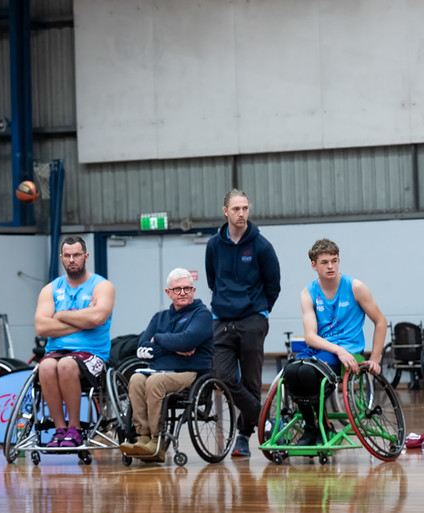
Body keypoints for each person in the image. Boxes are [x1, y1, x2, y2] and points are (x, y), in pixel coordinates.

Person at [284, 238, 386, 445]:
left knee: (306, 372)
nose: (330, 266)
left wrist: (375, 358)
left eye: (334, 260)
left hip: (351, 350)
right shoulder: (308, 292)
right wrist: (337, 350)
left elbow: (380, 321)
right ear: (314, 265)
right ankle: (312, 427)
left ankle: (322, 427)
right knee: (291, 371)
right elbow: (310, 336)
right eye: (324, 262)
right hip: (325, 349)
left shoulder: (355, 287)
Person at [206, 189, 281, 458]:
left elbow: (273, 285)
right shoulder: (214, 245)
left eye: (245, 208)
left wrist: (259, 312)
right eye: (236, 209)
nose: (241, 213)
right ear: (225, 211)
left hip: (252, 320)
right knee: (222, 376)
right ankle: (266, 420)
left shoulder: (261, 246)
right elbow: (212, 281)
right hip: (222, 321)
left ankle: (243, 437)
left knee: (251, 383)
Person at [120, 268, 213, 461]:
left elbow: (187, 341)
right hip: (158, 370)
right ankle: (142, 436)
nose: (183, 293)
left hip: (190, 371)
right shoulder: (159, 317)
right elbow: (141, 349)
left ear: (193, 290)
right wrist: (173, 345)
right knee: (137, 379)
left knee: (155, 382)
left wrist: (159, 339)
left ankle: (157, 439)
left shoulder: (202, 315)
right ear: (168, 293)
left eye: (187, 288)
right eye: (177, 289)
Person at [34, 236, 115, 448]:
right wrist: (82, 319)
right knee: (46, 366)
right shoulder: (50, 289)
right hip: (57, 351)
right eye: (68, 256)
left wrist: (59, 315)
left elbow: (97, 318)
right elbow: (41, 327)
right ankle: (60, 430)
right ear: (61, 258)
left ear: (86, 256)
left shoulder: (103, 286)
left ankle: (75, 429)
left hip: (91, 353)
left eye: (77, 255)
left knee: (67, 365)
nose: (72, 259)